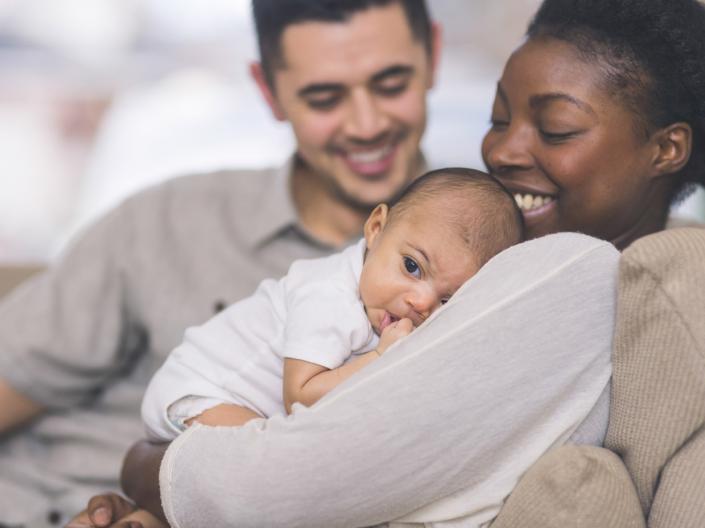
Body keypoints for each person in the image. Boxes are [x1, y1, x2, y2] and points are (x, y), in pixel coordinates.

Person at [71, 0, 705, 526]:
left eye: (558, 129)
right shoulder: (488, 261)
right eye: (497, 118)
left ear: (667, 147)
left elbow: (276, 484)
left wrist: (147, 465)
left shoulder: (576, 278)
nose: (503, 151)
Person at [0, 0, 440, 525]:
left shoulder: (474, 272)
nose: (367, 124)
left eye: (391, 84)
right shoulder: (166, 220)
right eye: (324, 98)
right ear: (268, 91)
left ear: (433, 56)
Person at [141, 169, 523, 440]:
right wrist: (379, 361)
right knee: (272, 470)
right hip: (199, 390)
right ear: (376, 229)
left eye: (448, 300)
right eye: (412, 266)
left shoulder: (385, 314)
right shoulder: (330, 294)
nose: (421, 303)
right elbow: (302, 397)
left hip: (245, 407)